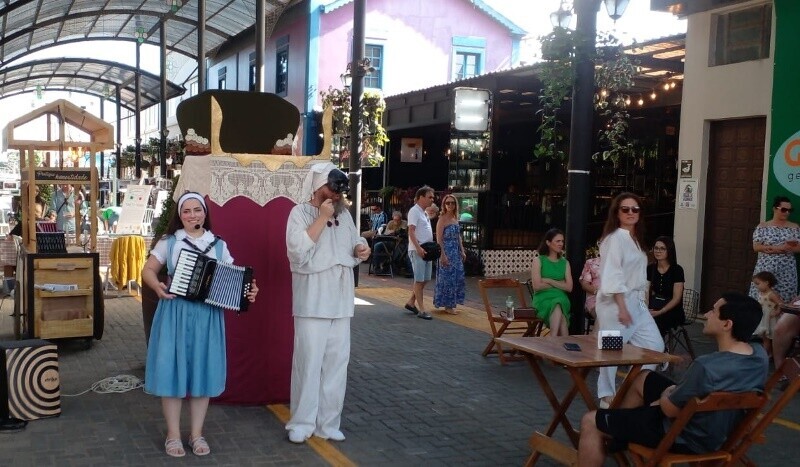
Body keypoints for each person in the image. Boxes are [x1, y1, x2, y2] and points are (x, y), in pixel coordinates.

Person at [578, 292, 768, 466]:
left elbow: (669, 409)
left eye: (713, 311)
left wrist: (667, 394)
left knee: (590, 420)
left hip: (685, 435)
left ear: (727, 324)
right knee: (644, 378)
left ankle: (611, 429)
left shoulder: (706, 366)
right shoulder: (760, 356)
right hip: (722, 428)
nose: (708, 314)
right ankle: (618, 430)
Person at [142, 192, 259, 458]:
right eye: (186, 211)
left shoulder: (218, 245)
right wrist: (157, 287)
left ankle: (196, 434)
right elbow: (148, 270)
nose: (192, 215)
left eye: (197, 210)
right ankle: (173, 434)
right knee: (171, 371)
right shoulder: (169, 242)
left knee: (202, 372)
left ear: (205, 213)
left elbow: (236, 278)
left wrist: (250, 290)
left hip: (207, 316)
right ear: (179, 215)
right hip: (175, 312)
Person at [285, 163, 370, 444]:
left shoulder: (345, 216)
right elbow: (297, 252)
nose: (335, 195)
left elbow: (353, 243)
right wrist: (321, 218)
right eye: (330, 189)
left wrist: (361, 249)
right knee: (308, 364)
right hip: (312, 300)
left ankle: (328, 423)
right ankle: (302, 422)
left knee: (337, 364)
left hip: (341, 300)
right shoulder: (299, 213)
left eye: (339, 190)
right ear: (317, 186)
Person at [595, 193, 663, 408]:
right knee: (611, 353)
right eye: (626, 209)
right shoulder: (614, 239)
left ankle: (630, 390)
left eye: (635, 209)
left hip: (636, 302)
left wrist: (640, 304)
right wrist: (623, 308)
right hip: (616, 305)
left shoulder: (635, 239)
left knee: (655, 346)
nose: (631, 213)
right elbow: (613, 274)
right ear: (617, 212)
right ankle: (606, 398)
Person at [749, 195, 800, 303]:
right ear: (775, 209)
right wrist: (778, 248)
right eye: (784, 209)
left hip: (786, 270)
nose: (787, 213)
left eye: (789, 210)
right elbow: (756, 247)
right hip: (766, 268)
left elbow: (798, 248)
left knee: (785, 299)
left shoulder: (794, 227)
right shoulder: (763, 226)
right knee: (762, 298)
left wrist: (784, 249)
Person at [531, 228, 572, 337]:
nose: (561, 244)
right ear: (548, 243)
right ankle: (562, 346)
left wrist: (549, 280)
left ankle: (552, 341)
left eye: (562, 241)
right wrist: (560, 283)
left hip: (561, 298)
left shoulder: (565, 263)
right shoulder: (538, 260)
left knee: (558, 302)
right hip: (542, 299)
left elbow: (569, 287)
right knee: (560, 313)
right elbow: (537, 286)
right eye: (557, 241)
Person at [405, 186, 436, 320]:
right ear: (421, 197)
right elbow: (411, 230)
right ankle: (422, 309)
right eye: (430, 197)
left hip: (427, 249)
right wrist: (418, 247)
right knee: (419, 279)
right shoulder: (414, 211)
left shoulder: (424, 212)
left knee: (426, 278)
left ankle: (411, 302)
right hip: (418, 249)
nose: (432, 200)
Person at [433, 194, 466, 315]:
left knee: (457, 277)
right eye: (448, 203)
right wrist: (442, 255)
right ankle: (448, 305)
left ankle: (453, 303)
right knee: (447, 278)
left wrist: (462, 250)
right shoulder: (442, 219)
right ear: (444, 205)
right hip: (446, 250)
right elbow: (439, 239)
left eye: (452, 203)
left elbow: (458, 237)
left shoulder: (455, 218)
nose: (450, 205)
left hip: (455, 252)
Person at [646, 236, 685, 336]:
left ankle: (659, 349)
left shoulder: (677, 270)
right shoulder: (650, 268)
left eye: (662, 248)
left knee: (658, 321)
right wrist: (645, 308)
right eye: (656, 248)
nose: (658, 251)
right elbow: (646, 292)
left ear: (669, 251)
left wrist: (660, 311)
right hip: (655, 305)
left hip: (672, 309)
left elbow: (676, 298)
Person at [752, 271, 782, 356]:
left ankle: (764, 355)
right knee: (765, 337)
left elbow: (781, 304)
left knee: (767, 338)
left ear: (766, 283)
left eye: (758, 284)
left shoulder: (771, 294)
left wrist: (777, 311)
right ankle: (769, 354)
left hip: (770, 319)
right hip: (764, 318)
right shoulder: (761, 293)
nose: (756, 286)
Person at [579, 245, 601, 331]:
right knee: (604, 316)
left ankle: (608, 343)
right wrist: (599, 292)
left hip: (615, 299)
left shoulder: (618, 264)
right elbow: (585, 284)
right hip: (595, 299)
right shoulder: (591, 263)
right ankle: (596, 343)